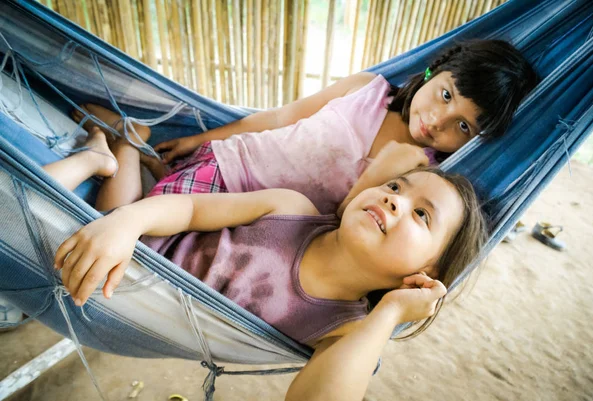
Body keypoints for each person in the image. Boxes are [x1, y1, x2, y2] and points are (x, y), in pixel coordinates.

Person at [46, 128, 487, 401]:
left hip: (137, 299)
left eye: (421, 214)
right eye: (396, 185)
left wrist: (390, 311)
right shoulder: (290, 207)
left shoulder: (346, 331)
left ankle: (111, 153)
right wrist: (130, 221)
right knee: (92, 216)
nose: (394, 198)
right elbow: (191, 212)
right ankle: (113, 149)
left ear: (427, 275)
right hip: (139, 241)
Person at [71, 39, 538, 216]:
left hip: (260, 219)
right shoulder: (366, 90)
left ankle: (133, 147)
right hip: (231, 169)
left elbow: (353, 218)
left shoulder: (421, 174)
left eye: (461, 125)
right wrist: (200, 137)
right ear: (437, 72)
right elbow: (277, 119)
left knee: (167, 242)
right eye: (446, 95)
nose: (438, 121)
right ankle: (133, 143)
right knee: (121, 224)